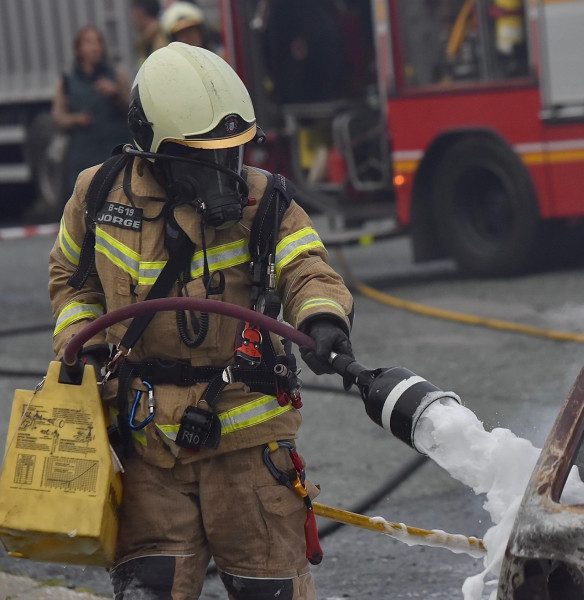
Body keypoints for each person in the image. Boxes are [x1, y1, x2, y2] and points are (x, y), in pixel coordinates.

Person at [48, 42, 354, 599]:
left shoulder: (265, 203)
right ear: (154, 148)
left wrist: (322, 318)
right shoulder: (97, 195)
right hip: (145, 453)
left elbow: (306, 267)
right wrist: (82, 341)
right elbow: (72, 279)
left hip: (247, 447)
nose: (226, 173)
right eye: (205, 157)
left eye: (234, 153)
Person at [51, 25, 132, 204]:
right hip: (84, 155)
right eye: (88, 42)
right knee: (84, 201)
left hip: (115, 153)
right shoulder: (67, 81)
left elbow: (132, 110)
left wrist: (116, 93)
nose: (95, 47)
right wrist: (76, 119)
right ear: (78, 49)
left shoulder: (116, 73)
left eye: (98, 42)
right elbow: (58, 117)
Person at [131, 0, 167, 65]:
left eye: (133, 13)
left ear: (140, 13)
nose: (132, 19)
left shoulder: (159, 44)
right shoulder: (149, 40)